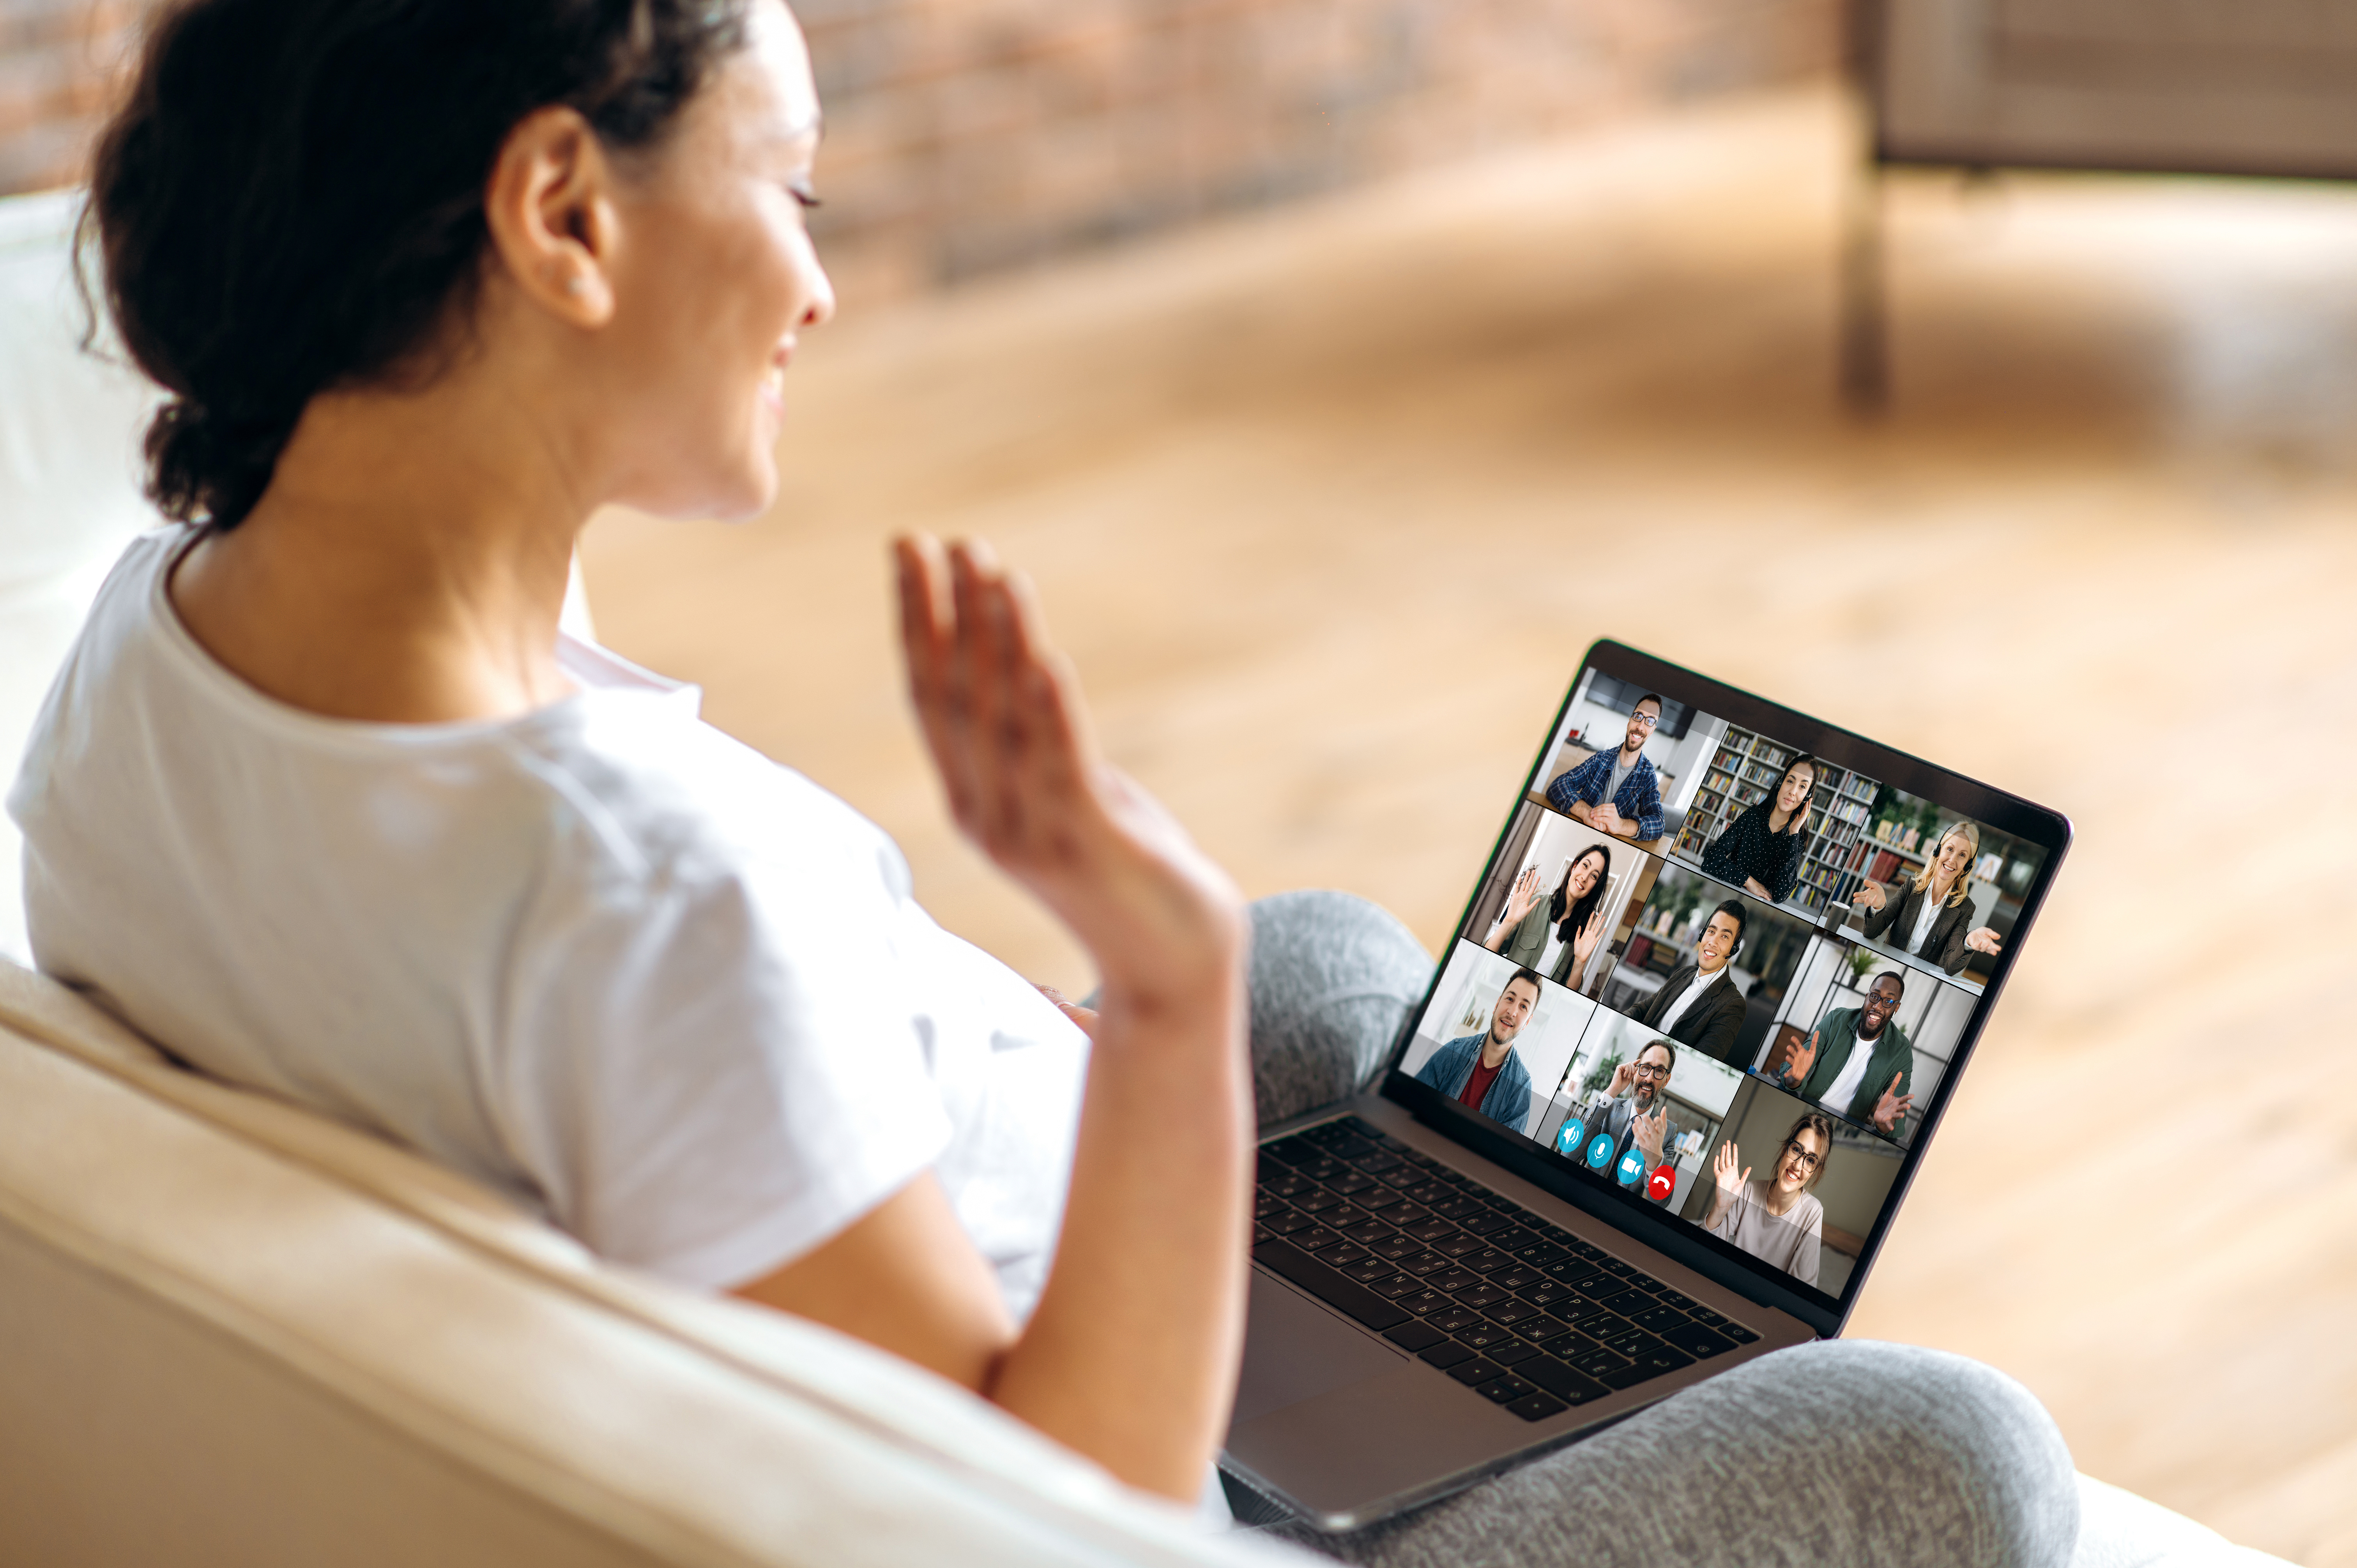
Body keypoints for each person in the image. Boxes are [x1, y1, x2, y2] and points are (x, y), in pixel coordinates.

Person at [14, 4, 2085, 1559]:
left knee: (1343, 977)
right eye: (792, 193)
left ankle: (1426, 1273)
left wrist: (1041, 1033)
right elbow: (1064, 1520)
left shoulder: (145, 643)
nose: (814, 286)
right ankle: (1458, 1359)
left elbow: (671, 1083)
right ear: (563, 213)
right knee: (1949, 1452)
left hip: (864, 1238)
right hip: (1180, 1459)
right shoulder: (639, 902)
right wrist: (1157, 983)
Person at [1850, 820, 2003, 976]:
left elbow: (1950, 967)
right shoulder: (1911, 885)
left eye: (1962, 855)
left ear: (1968, 865)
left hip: (1917, 977)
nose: (1952, 860)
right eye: (1950, 849)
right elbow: (1871, 932)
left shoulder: (1964, 908)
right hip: (1884, 966)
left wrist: (1969, 942)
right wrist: (1879, 906)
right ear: (1938, 851)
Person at [1774, 971, 1916, 1137]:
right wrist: (1795, 1079)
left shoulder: (1901, 1052)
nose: (1878, 1006)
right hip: (1803, 1116)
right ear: (1866, 997)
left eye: (1889, 1001)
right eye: (1875, 996)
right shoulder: (1836, 1019)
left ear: (1896, 1008)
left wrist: (1884, 1123)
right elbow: (1791, 1076)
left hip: (1842, 1132)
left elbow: (1895, 1128)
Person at [1702, 1111, 1830, 1287]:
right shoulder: (1749, 1191)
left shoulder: (1813, 1213)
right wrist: (1720, 1207)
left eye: (1810, 1160)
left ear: (1815, 1171)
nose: (1798, 1166)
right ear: (1786, 1148)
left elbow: (1802, 1288)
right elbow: (1705, 1251)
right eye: (1796, 1150)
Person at [1411, 969, 1542, 1131]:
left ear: (1527, 1023)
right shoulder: (1453, 1051)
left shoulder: (1521, 1086)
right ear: (1497, 1004)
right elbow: (1411, 1104)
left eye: (1523, 1006)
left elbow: (1502, 1152)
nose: (1512, 1012)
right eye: (1510, 999)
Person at [1626, 898, 1750, 1065]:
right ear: (1702, 935)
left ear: (1734, 950)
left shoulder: (1733, 1005)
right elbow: (1643, 1009)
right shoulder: (1683, 973)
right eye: (1712, 932)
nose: (1713, 942)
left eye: (1725, 937)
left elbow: (1701, 1061)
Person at [1481, 843, 1610, 987]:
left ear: (1595, 888)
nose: (1585, 877)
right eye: (1585, 866)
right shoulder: (1532, 906)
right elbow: (1486, 955)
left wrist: (1580, 963)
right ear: (1574, 867)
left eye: (1594, 876)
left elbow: (1569, 990)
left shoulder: (1581, 936)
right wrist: (1509, 922)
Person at [1577, 1037, 1685, 1206]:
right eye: (1646, 1068)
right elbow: (1570, 1155)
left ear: (1666, 1080)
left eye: (1659, 1071)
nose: (1649, 1079)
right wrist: (1611, 1093)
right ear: (1637, 1071)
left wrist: (1655, 1159)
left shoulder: (1667, 1132)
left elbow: (1662, 1201)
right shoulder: (1608, 1107)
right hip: (1580, 1199)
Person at [1545, 693, 1665, 842]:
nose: (1640, 726)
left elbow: (1659, 824)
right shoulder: (1600, 759)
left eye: (1650, 721)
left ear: (1652, 730)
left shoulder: (1647, 776)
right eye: (1638, 717)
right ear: (1629, 722)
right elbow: (1558, 786)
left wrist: (1621, 825)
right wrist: (1587, 813)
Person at [1699, 753, 1814, 904]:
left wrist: (1793, 834)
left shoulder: (1797, 838)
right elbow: (1711, 860)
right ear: (1780, 784)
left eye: (1802, 787)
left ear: (1807, 797)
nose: (1793, 791)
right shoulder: (1753, 815)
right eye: (1790, 781)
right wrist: (1749, 881)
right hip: (1722, 894)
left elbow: (1781, 895)